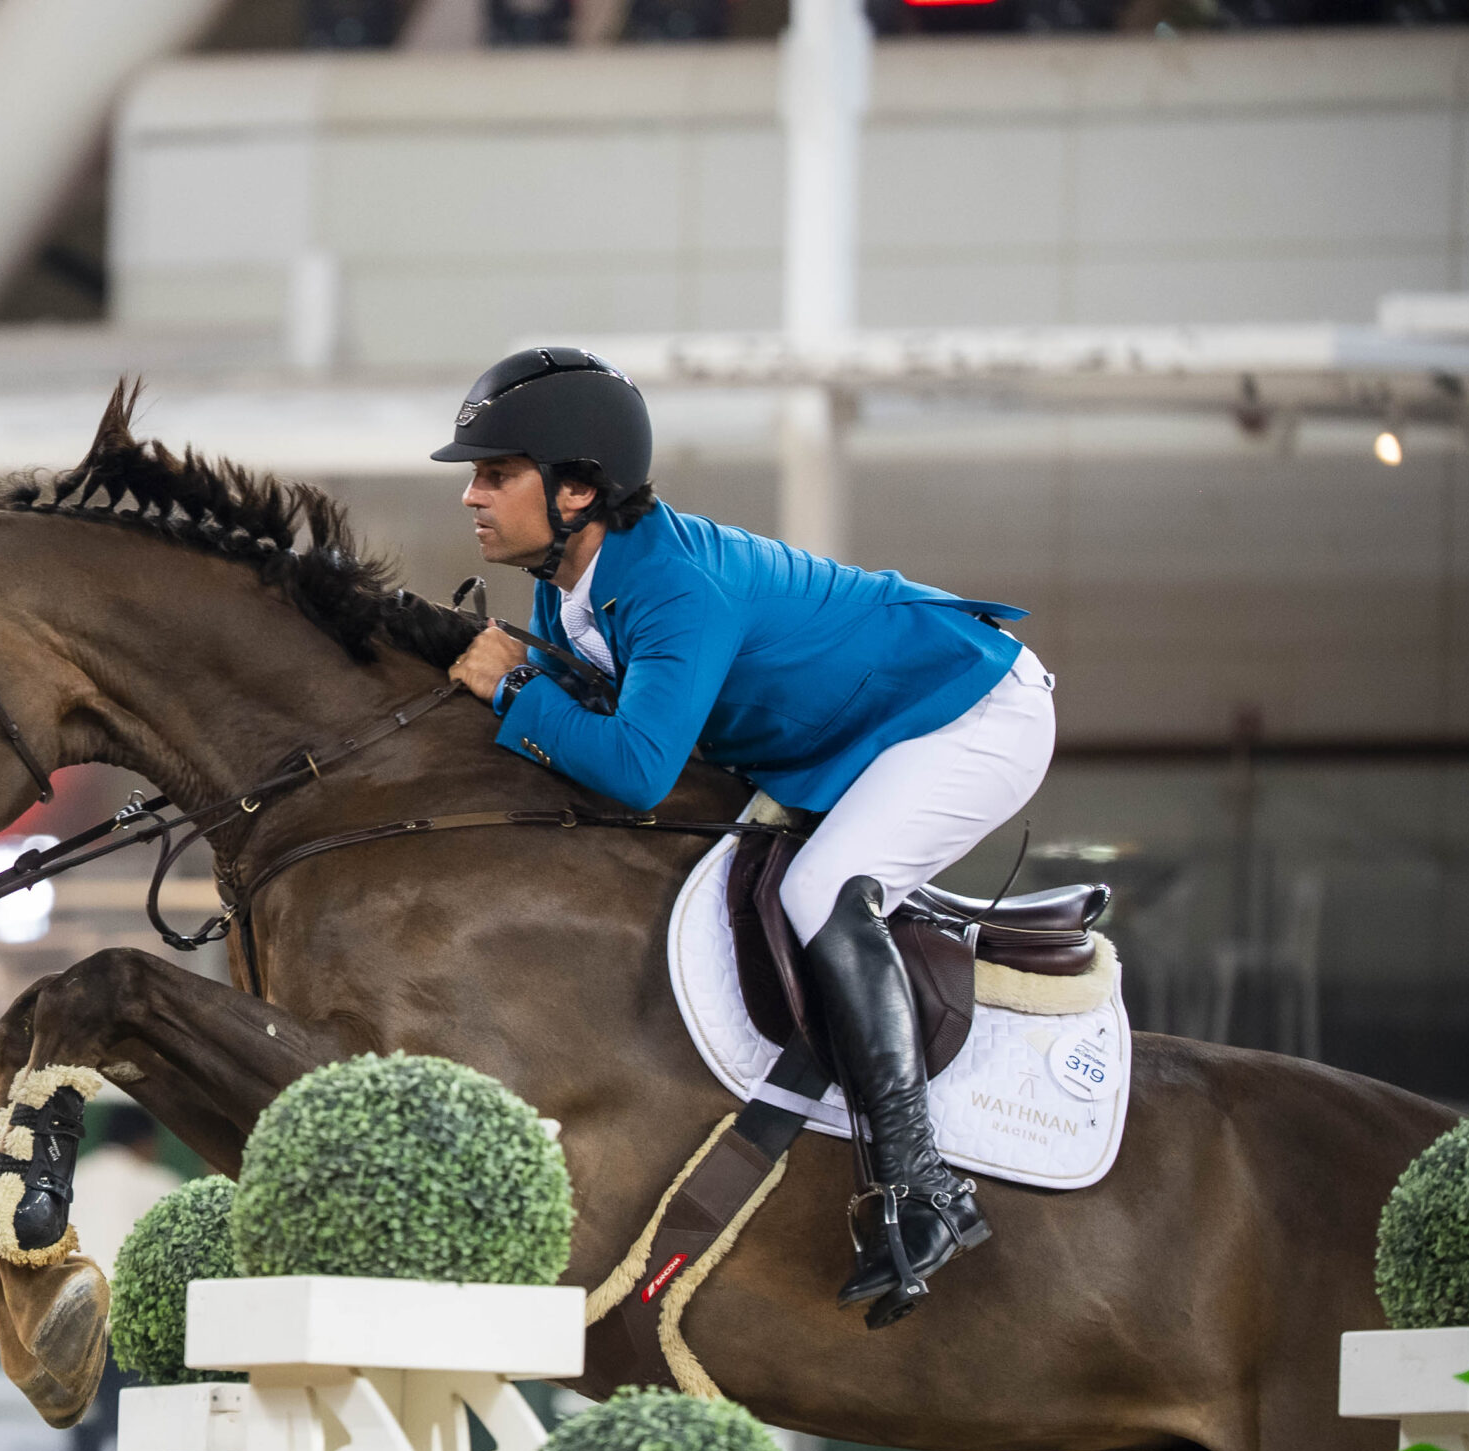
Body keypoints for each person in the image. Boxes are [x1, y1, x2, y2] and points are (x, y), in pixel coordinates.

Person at [435, 347, 1056, 1317]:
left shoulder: (672, 583)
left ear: (576, 492)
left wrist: (513, 688)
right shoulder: (563, 589)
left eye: (494, 474)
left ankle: (920, 1183)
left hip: (969, 713)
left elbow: (637, 771)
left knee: (819, 891)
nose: (471, 497)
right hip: (860, 732)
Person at [60, 1107, 181, 1451]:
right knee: (137, 1428)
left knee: (85, 1432)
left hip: (71, 1327)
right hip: (120, 1326)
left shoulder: (75, 1181)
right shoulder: (151, 1182)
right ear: (144, 1142)